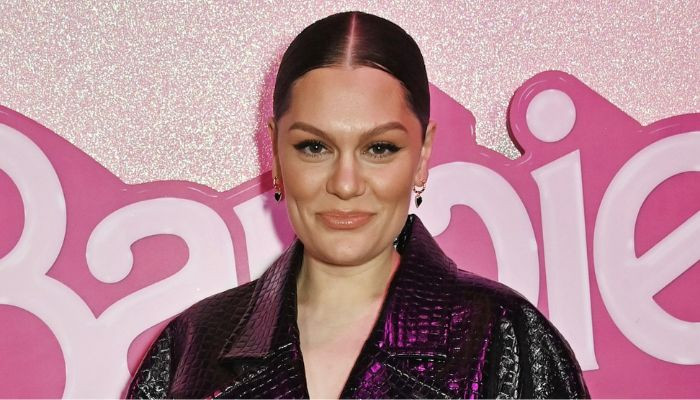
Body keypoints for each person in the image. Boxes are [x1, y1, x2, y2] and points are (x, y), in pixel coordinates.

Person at [127, 11, 589, 399]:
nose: (345, 184)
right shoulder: (192, 347)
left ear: (422, 155)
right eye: (314, 147)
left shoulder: (505, 338)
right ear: (276, 154)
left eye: (379, 148)